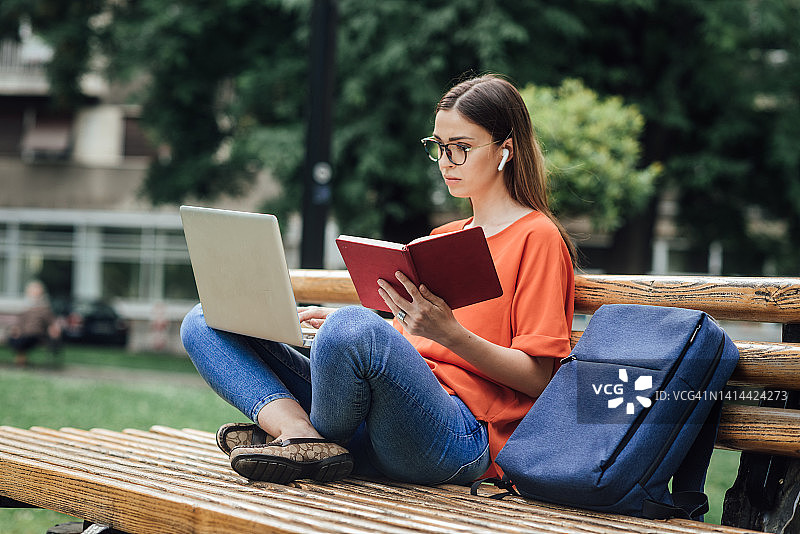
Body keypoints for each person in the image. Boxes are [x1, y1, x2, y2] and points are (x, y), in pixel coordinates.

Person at [180, 73, 576, 486]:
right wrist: (359, 325)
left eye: (461, 148)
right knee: (207, 318)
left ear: (505, 151)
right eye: (439, 147)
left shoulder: (538, 238)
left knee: (351, 328)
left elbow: (538, 378)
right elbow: (411, 345)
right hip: (382, 416)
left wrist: (448, 334)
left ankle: (301, 439)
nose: (445, 162)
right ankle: (298, 433)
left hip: (462, 433)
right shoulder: (443, 238)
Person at [8, 280, 60, 367]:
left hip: (36, 334)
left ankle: (21, 358)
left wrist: (53, 328)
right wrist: (17, 329)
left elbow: (51, 321)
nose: (34, 292)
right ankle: (21, 357)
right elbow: (20, 321)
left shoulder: (44, 307)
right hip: (23, 333)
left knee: (26, 339)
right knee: (14, 338)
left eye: (36, 290)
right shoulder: (25, 306)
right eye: (32, 290)